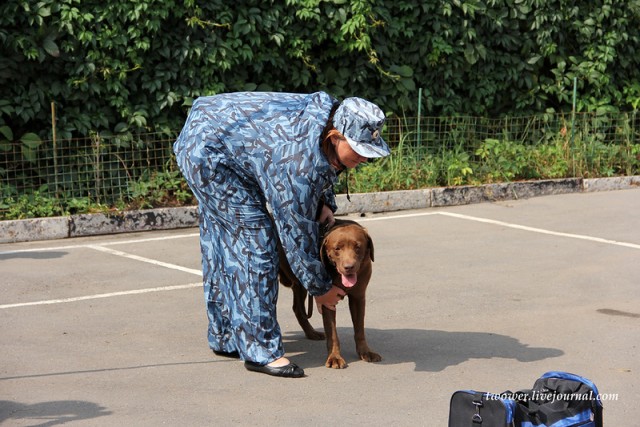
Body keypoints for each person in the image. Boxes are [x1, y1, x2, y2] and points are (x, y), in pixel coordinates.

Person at [173, 91, 390, 378]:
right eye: (360, 149)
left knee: (223, 240)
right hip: (209, 154)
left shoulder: (324, 126)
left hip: (212, 133)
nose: (364, 158)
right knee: (257, 243)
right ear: (336, 136)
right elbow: (294, 232)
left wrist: (325, 200)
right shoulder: (297, 160)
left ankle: (226, 336)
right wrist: (320, 288)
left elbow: (321, 167)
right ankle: (260, 351)